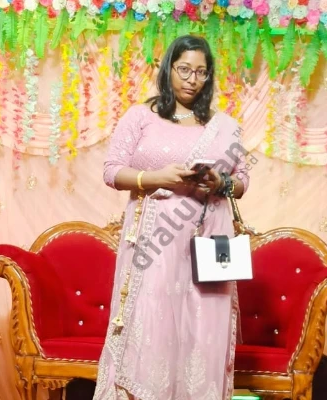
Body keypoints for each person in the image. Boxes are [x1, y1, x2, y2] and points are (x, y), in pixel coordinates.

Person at [93, 35, 250, 400]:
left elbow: (242, 181)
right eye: (184, 69)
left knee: (203, 326)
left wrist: (220, 182)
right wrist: (156, 178)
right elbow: (112, 171)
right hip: (155, 241)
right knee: (152, 322)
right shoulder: (141, 117)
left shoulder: (224, 126)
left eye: (201, 72)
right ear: (168, 69)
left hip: (209, 240)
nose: (192, 80)